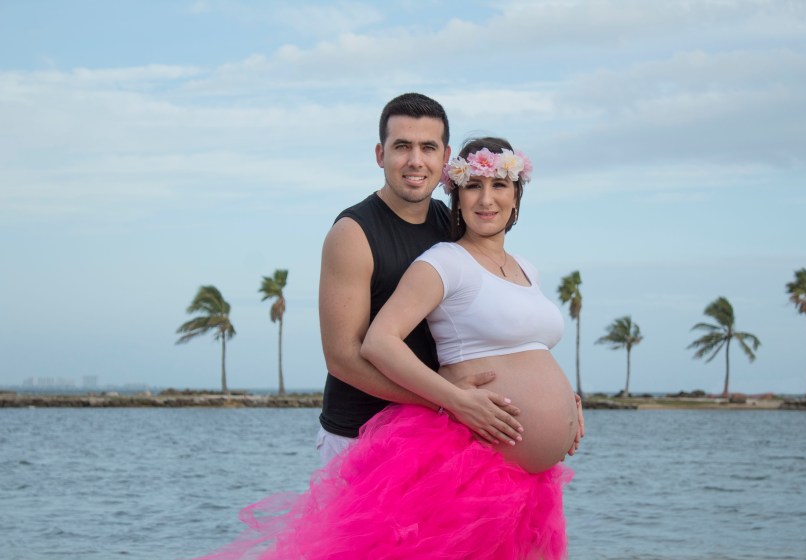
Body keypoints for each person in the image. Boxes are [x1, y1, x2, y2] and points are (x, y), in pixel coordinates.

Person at [195, 137, 583, 560]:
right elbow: (380, 342)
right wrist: (454, 399)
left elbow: (528, 347)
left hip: (528, 480)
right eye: (473, 186)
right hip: (473, 464)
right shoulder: (444, 261)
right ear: (456, 196)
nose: (486, 199)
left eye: (499, 185)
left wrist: (567, 404)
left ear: (517, 194)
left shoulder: (527, 267)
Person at [316, 93, 524, 465]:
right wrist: (448, 400)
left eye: (428, 147)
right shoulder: (353, 233)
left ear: (445, 158)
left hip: (437, 432)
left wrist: (552, 395)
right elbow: (342, 358)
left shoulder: (454, 224)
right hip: (361, 437)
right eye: (402, 147)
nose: (415, 161)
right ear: (380, 155)